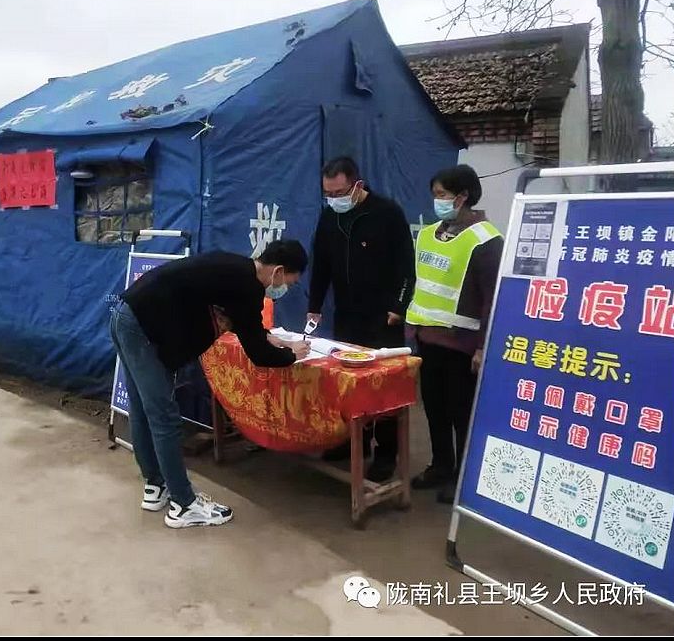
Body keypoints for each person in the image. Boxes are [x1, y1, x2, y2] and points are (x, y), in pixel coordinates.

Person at [109, 240, 311, 529]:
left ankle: (155, 487)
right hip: (143, 329)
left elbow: (244, 323)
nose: (286, 288)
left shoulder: (234, 266)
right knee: (164, 417)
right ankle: (184, 505)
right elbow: (258, 354)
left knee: (142, 409)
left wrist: (271, 338)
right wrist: (292, 355)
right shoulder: (249, 286)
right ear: (278, 271)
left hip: (126, 315)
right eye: (290, 281)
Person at [307, 157, 416, 482]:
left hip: (383, 316)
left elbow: (406, 266)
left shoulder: (387, 213)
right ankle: (352, 442)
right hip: (347, 314)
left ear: (357, 185)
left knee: (383, 387)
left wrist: (398, 307)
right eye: (328, 193)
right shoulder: (330, 216)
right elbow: (321, 264)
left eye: (339, 192)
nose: (334, 199)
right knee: (349, 382)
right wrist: (314, 306)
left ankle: (386, 453)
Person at [406, 164, 503, 504]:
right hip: (428, 339)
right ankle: (440, 465)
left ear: (462, 197)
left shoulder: (486, 240)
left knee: (462, 413)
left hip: (463, 345)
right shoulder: (428, 234)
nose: (438, 201)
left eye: (442, 195)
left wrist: (483, 347)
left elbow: (492, 300)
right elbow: (421, 283)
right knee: (434, 408)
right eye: (435, 195)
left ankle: (463, 475)